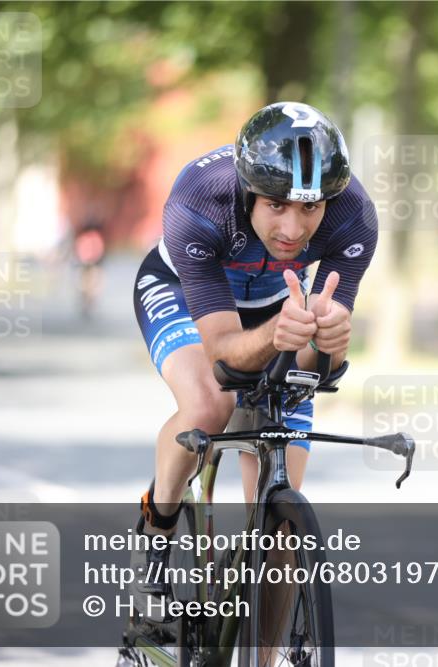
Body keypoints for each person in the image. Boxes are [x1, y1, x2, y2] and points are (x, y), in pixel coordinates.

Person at [130, 102, 378, 609]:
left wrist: (327, 344)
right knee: (211, 404)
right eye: (277, 206)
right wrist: (283, 335)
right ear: (248, 191)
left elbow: (316, 370)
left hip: (275, 300)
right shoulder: (199, 201)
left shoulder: (354, 217)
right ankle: (156, 535)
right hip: (183, 290)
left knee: (280, 538)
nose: (293, 229)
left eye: (310, 208)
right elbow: (223, 354)